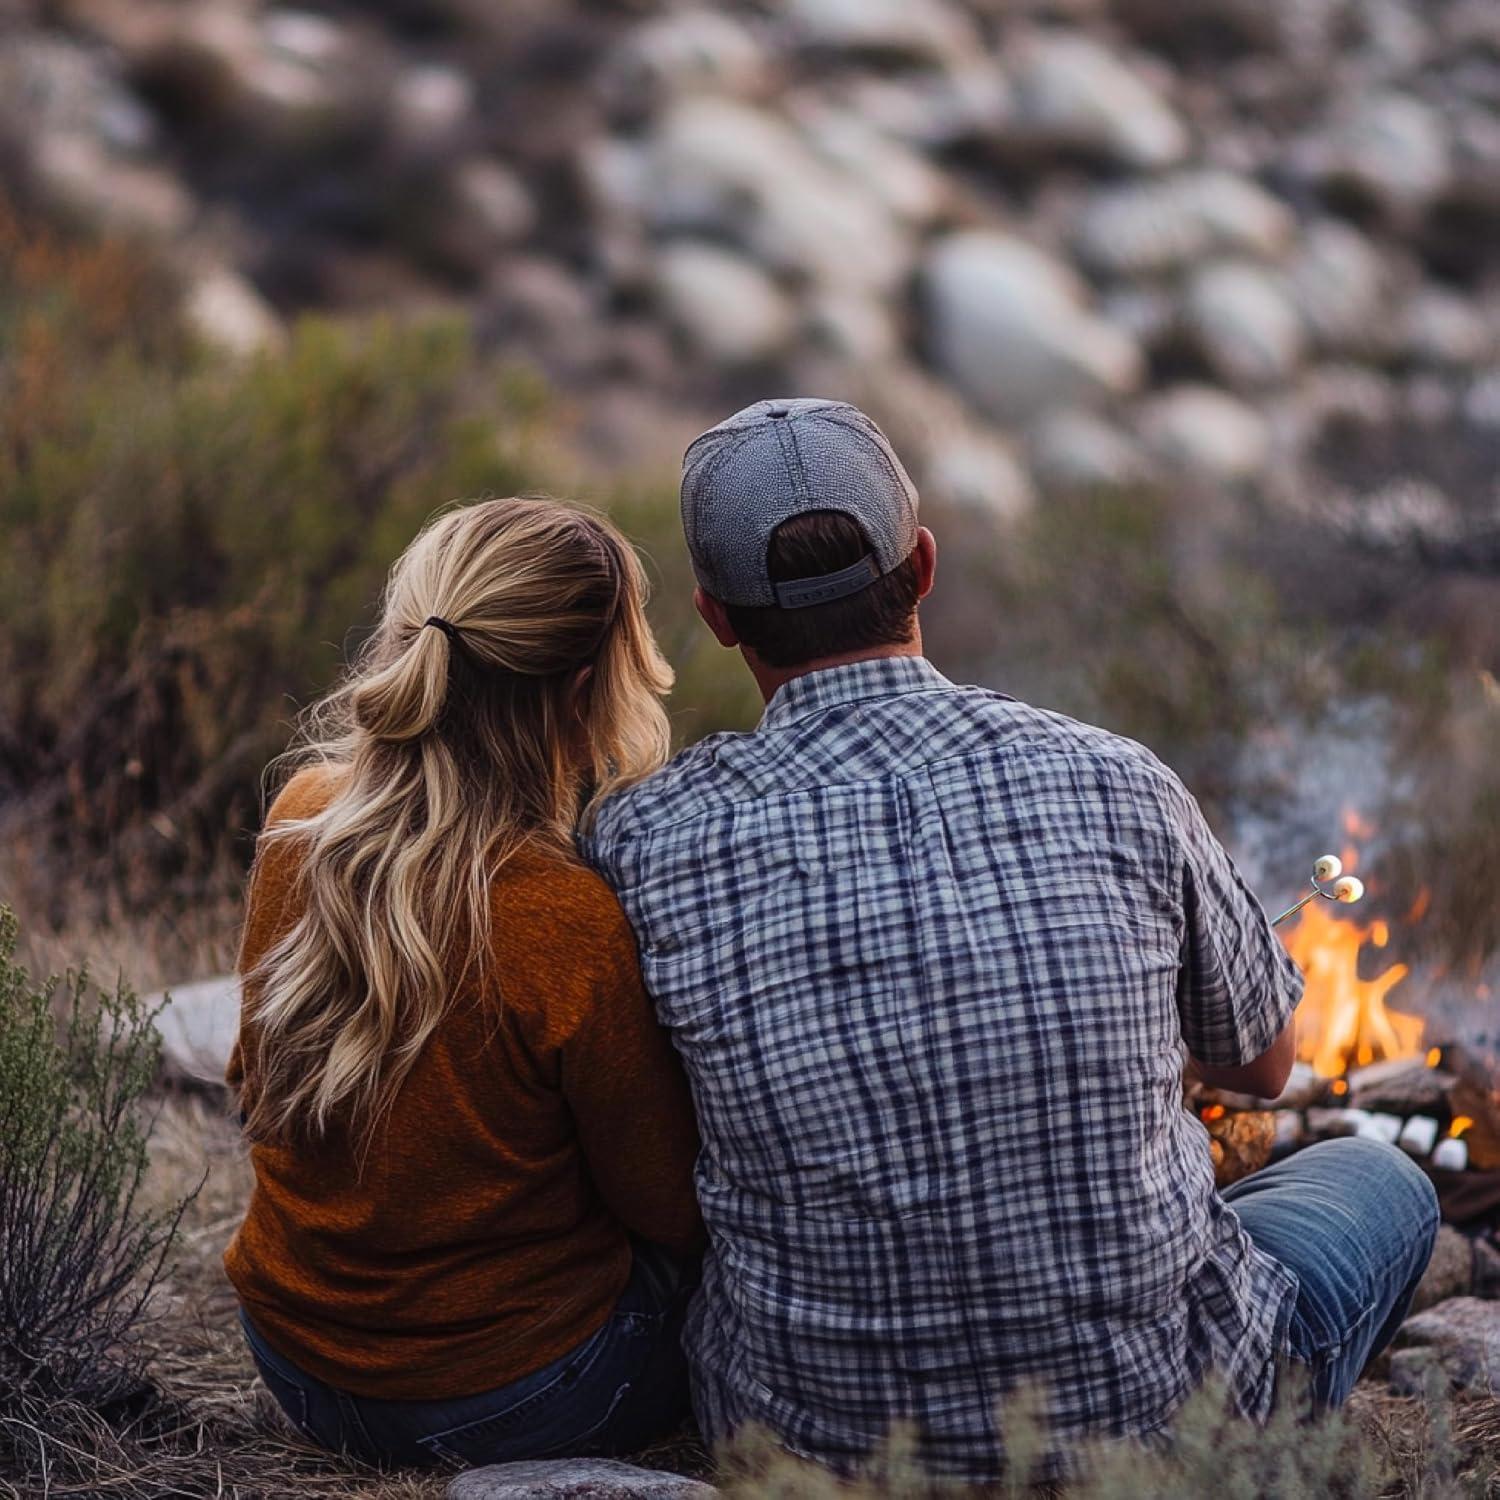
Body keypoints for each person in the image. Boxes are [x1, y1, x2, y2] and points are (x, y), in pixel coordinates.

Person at [582, 398, 1440, 1482]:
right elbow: (1267, 1066)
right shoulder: (1114, 776)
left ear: (714, 616)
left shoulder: (645, 837)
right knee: (1383, 1182)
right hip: (1159, 1428)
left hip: (807, 1448)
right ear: (925, 566)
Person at [225, 497, 704, 1469]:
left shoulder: (304, 818)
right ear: (584, 697)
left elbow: (249, 1085)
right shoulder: (568, 919)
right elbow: (668, 1208)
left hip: (295, 1361)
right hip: (516, 1402)